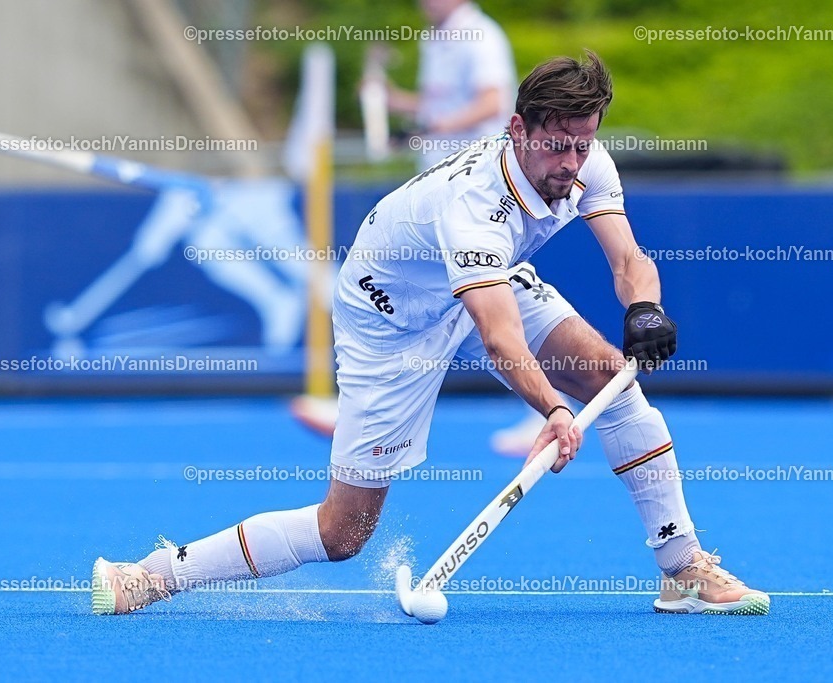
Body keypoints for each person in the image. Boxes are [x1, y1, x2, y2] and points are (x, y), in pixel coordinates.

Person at [92, 52, 769, 617]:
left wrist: (644, 310)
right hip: (390, 323)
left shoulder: (587, 164)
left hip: (488, 282)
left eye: (582, 144)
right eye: (557, 146)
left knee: (610, 380)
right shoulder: (474, 207)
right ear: (518, 130)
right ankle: (153, 574)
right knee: (343, 531)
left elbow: (627, 260)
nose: (570, 163)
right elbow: (501, 341)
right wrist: (553, 410)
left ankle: (682, 568)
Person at [387, 0, 516, 169]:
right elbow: (438, 103)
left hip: (475, 169)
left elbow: (492, 103)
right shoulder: (434, 38)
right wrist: (393, 100)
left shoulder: (483, 35)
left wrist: (435, 127)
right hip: (439, 167)